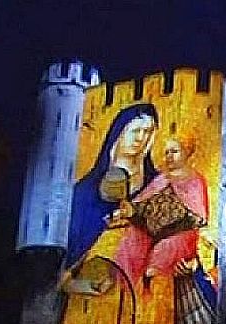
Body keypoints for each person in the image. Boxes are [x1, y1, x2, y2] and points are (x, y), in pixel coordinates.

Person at [64, 104, 159, 273]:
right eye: (135, 130)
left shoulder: (157, 183)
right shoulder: (86, 191)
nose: (140, 138)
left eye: (147, 131)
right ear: (119, 133)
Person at [113, 133, 209, 288]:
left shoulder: (195, 180)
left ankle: (151, 286)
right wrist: (129, 210)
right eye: (167, 152)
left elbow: (199, 217)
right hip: (153, 229)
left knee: (164, 251)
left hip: (182, 233)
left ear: (186, 152)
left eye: (174, 151)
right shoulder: (161, 179)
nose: (169, 156)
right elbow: (141, 203)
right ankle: (122, 284)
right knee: (131, 239)